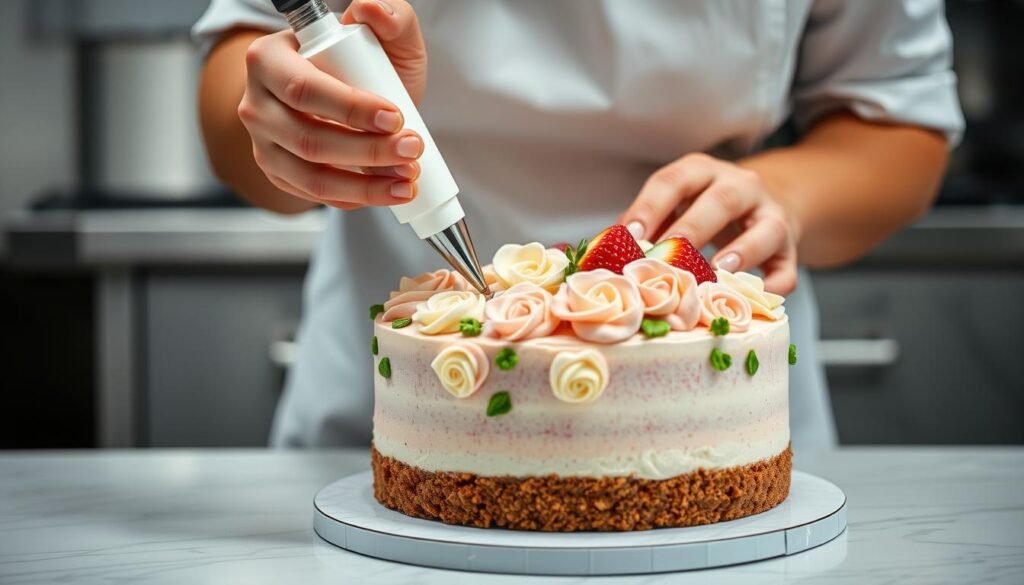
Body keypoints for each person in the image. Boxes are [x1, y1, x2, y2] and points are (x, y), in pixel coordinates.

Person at [193, 0, 963, 449]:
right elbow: (239, 80)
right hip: (375, 420)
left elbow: (902, 122)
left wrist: (783, 194)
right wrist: (298, 129)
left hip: (714, 415)